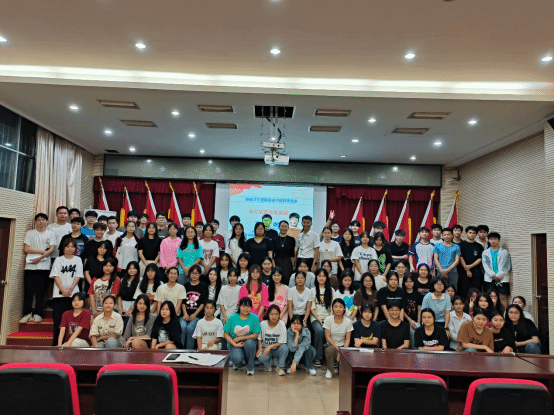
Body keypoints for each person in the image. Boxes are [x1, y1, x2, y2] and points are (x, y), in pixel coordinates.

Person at [20, 213, 56, 324]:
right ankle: (27, 313)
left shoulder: (51, 234)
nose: (41, 221)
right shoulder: (30, 233)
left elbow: (51, 249)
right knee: (28, 291)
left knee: (41, 292)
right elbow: (26, 249)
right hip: (30, 266)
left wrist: (39, 258)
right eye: (39, 220)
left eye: (43, 220)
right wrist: (41, 252)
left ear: (47, 221)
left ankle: (38, 314)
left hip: (44, 267)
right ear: (36, 221)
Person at [50, 238, 84, 346]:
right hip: (58, 295)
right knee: (58, 321)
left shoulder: (78, 260)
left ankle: (69, 344)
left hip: (73, 296)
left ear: (75, 248)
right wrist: (62, 290)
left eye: (72, 246)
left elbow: (78, 276)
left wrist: (70, 289)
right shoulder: (58, 260)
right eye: (68, 246)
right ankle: (56, 345)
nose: (70, 249)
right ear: (63, 248)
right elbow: (55, 275)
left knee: (71, 322)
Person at [223, 297, 261, 375]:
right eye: (243, 306)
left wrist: (241, 338)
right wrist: (234, 344)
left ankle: (250, 367)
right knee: (237, 358)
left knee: (250, 343)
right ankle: (238, 363)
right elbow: (225, 334)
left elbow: (256, 335)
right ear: (239, 306)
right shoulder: (232, 317)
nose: (245, 309)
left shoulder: (254, 317)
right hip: (235, 343)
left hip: (249, 342)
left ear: (251, 307)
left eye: (248, 306)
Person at [311, 268, 337, 367]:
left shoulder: (331, 290)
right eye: (319, 276)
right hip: (315, 318)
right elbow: (312, 308)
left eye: (323, 276)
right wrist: (319, 320)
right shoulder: (312, 290)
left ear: (327, 278)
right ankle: (318, 357)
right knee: (319, 331)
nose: (321, 278)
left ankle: (333, 357)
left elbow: (333, 307)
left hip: (329, 318)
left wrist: (328, 319)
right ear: (316, 277)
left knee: (333, 331)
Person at [323, 299, 353, 379]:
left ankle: (339, 367)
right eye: (336, 307)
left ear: (344, 308)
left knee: (342, 374)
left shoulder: (348, 322)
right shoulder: (328, 320)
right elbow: (328, 337)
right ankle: (330, 369)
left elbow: (347, 339)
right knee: (329, 350)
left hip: (343, 346)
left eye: (340, 307)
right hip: (331, 345)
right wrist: (338, 349)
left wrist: (342, 350)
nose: (338, 309)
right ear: (332, 308)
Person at [482, 232, 511, 310]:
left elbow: (507, 266)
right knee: (490, 297)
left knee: (503, 297)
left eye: (495, 239)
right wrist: (493, 275)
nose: (493, 241)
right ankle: (491, 314)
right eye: (491, 239)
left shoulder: (505, 252)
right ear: (488, 240)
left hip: (502, 278)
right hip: (489, 278)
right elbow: (485, 266)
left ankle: (504, 315)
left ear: (499, 240)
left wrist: (499, 275)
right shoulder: (485, 252)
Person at [182, 265, 208, 349]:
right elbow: (183, 302)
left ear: (200, 275)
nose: (194, 275)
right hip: (185, 314)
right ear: (189, 274)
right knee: (182, 327)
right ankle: (180, 350)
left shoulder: (203, 286)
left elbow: (203, 303)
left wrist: (195, 315)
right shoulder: (186, 285)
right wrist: (185, 314)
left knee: (190, 329)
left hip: (197, 315)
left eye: (196, 273)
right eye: (192, 273)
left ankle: (189, 351)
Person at [257, 305, 288, 376]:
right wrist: (260, 348)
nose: (274, 316)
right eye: (272, 314)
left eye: (276, 314)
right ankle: (268, 367)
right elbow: (259, 338)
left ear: (279, 315)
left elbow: (282, 342)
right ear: (268, 314)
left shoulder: (282, 324)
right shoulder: (262, 324)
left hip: (277, 349)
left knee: (285, 348)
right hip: (265, 348)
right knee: (260, 357)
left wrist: (270, 346)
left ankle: (280, 367)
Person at [458, 226, 484, 297]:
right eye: (470, 233)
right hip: (463, 272)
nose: (472, 234)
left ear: (476, 234)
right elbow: (460, 257)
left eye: (474, 233)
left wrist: (470, 266)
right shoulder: (461, 245)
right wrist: (467, 269)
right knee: (464, 291)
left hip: (476, 272)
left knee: (476, 291)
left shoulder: (479, 246)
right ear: (466, 233)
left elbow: (480, 258)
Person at [272, 220, 296, 285]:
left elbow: (292, 254)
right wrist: (274, 266)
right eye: (282, 226)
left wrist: (293, 265)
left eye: (285, 227)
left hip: (288, 262)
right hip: (277, 261)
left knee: (287, 280)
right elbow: (272, 254)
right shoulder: (274, 239)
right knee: (277, 280)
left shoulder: (291, 239)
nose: (283, 228)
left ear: (288, 228)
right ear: (279, 227)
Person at [402, 274, 422, 347]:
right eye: (407, 282)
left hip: (416, 321)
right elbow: (401, 309)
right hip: (405, 321)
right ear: (404, 283)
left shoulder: (418, 294)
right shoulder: (402, 294)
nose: (409, 283)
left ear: (414, 282)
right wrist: (409, 320)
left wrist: (418, 322)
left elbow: (419, 309)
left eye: (410, 281)